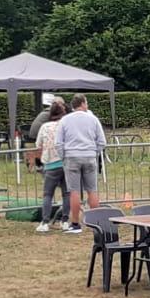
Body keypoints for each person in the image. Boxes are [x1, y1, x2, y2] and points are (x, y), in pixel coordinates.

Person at [59, 95, 106, 233]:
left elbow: (58, 142)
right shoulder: (93, 119)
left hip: (72, 157)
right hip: (89, 156)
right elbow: (102, 141)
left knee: (74, 191)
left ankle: (75, 223)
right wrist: (94, 152)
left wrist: (64, 157)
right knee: (92, 190)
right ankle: (96, 223)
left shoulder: (65, 120)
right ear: (83, 104)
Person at [35, 100, 70, 231]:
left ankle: (45, 222)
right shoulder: (66, 126)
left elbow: (38, 145)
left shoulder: (45, 127)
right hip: (65, 163)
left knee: (48, 194)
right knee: (67, 193)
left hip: (50, 164)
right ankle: (65, 221)